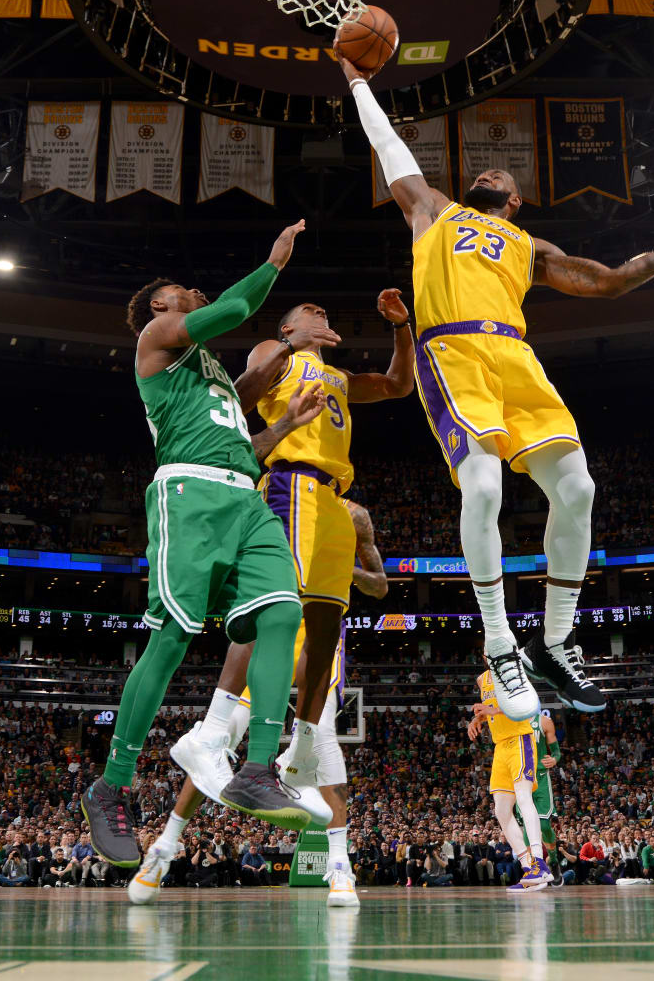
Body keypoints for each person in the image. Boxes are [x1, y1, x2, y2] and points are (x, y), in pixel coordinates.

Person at [344, 50, 654, 723]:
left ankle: (556, 642)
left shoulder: (532, 248)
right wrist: (357, 79)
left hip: (516, 359)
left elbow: (612, 280)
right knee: (483, 488)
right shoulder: (433, 211)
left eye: (503, 177)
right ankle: (500, 641)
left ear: (513, 201)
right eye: (486, 169)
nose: (491, 169)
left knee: (579, 489)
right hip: (453, 350)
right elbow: (387, 142)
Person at [136, 288, 412, 909]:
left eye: (325, 310)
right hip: (288, 486)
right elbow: (236, 394)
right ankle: (175, 820)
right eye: (311, 310)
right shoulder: (278, 351)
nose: (324, 313)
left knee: (324, 628)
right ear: (289, 324)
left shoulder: (338, 375)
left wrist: (401, 327)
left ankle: (304, 741)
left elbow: (398, 385)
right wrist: (285, 351)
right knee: (270, 612)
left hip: (334, 502)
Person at [81, 222, 324, 868]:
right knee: (173, 636)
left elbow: (242, 444)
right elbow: (240, 307)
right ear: (160, 306)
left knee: (282, 613)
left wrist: (286, 423)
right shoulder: (156, 337)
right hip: (188, 496)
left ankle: (259, 769)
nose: (193, 289)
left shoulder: (209, 373)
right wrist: (273, 262)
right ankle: (113, 783)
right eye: (180, 289)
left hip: (244, 496)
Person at [135, 489, 393, 909]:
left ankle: (340, 865)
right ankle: (164, 847)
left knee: (324, 736)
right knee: (214, 743)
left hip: (317, 644)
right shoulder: (270, 501)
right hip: (269, 643)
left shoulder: (352, 516)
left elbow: (380, 586)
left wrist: (340, 566)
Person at [468, 670, 550, 892]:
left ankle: (539, 863)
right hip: (501, 745)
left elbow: (527, 703)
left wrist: (492, 709)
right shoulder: (482, 679)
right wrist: (478, 718)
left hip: (520, 739)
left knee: (524, 799)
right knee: (501, 812)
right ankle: (529, 869)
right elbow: (491, 709)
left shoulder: (513, 670)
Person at [515, 711, 561, 885]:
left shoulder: (544, 721)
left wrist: (555, 759)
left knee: (543, 824)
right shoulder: (510, 720)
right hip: (520, 775)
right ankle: (534, 868)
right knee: (528, 824)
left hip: (540, 775)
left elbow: (556, 751)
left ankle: (554, 860)